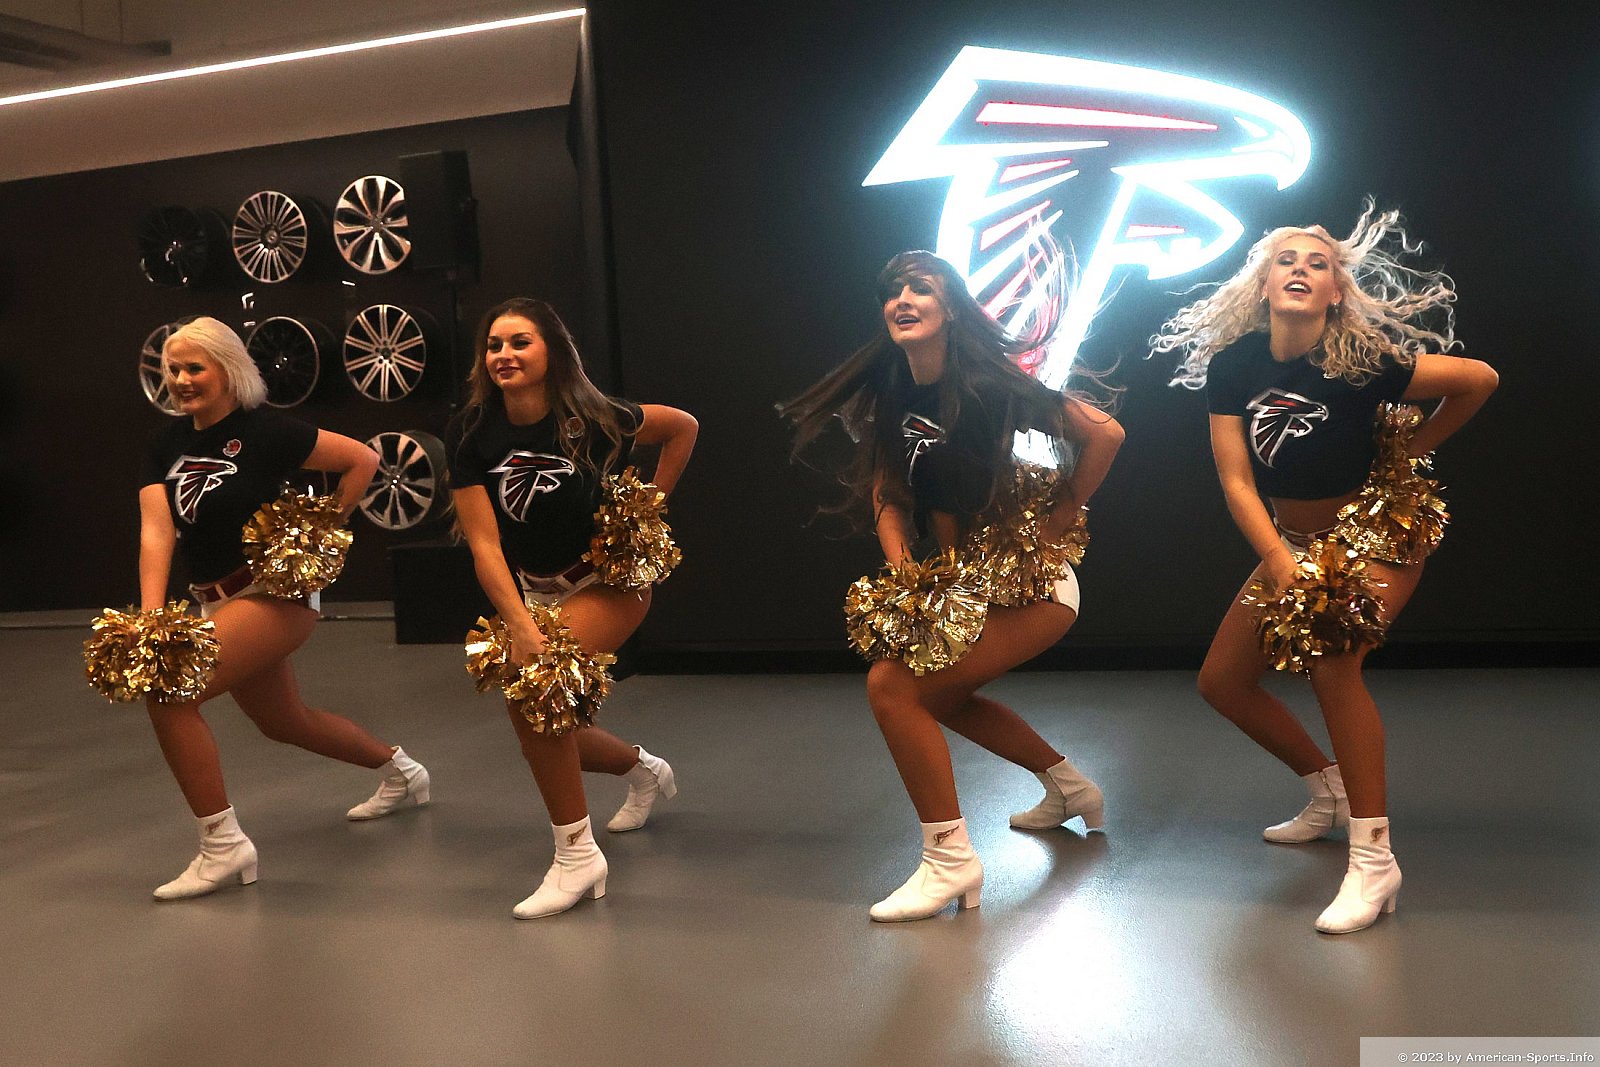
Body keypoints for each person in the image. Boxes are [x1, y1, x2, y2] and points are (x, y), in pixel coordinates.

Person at [1151, 203, 1498, 933]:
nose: (1301, 269)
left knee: (1333, 664)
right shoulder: (1236, 365)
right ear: (1263, 284)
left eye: (1318, 263)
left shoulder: (1364, 362)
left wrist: (1412, 449)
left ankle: (1374, 860)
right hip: (1295, 543)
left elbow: (1479, 378)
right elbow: (1237, 481)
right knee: (1222, 681)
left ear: (1336, 291)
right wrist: (1279, 558)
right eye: (1287, 260)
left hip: (1373, 534)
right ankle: (1331, 789)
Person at [781, 250, 1124, 922]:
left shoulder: (989, 385)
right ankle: (1070, 788)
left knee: (894, 686)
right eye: (892, 291)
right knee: (942, 696)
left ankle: (949, 859)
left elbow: (1105, 433)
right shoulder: (894, 391)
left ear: (951, 309)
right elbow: (889, 490)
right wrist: (903, 569)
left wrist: (1060, 517)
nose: (902, 299)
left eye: (920, 288)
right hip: (961, 583)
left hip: (1032, 588)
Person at [138, 317, 430, 901]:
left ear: (228, 370)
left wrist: (322, 530)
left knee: (170, 692)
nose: (182, 380)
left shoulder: (268, 430)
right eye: (173, 369)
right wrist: (152, 617)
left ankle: (223, 846)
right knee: (283, 721)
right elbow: (157, 530)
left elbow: (361, 461)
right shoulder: (166, 443)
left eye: (194, 368)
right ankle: (401, 771)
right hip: (213, 599)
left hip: (273, 595)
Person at [448, 297, 698, 919]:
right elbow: (484, 544)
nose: (504, 354)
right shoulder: (472, 433)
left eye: (520, 342)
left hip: (606, 585)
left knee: (534, 698)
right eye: (494, 345)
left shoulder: (596, 417)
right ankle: (641, 768)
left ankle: (577, 857)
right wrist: (519, 622)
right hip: (533, 589)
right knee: (542, 721)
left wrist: (647, 509)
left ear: (552, 351)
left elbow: (683, 427)